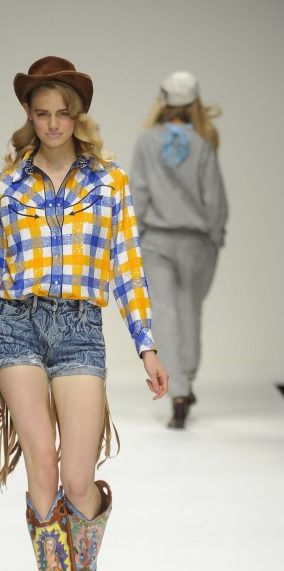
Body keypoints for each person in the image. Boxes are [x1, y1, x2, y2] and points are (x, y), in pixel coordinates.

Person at [0, 56, 168, 571]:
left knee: (79, 480)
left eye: (63, 113)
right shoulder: (6, 187)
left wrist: (146, 344)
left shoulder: (109, 183)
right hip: (17, 328)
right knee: (43, 468)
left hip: (81, 328)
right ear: (29, 116)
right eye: (42, 113)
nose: (53, 123)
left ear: (78, 116)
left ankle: (85, 568)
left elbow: (127, 267)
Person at [129, 71, 228, 429]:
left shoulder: (146, 142)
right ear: (195, 102)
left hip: (156, 240)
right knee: (189, 311)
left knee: (165, 313)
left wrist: (133, 235)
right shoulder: (204, 142)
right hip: (196, 241)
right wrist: (216, 235)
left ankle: (180, 392)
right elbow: (214, 196)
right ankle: (186, 380)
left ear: (163, 100)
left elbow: (138, 192)